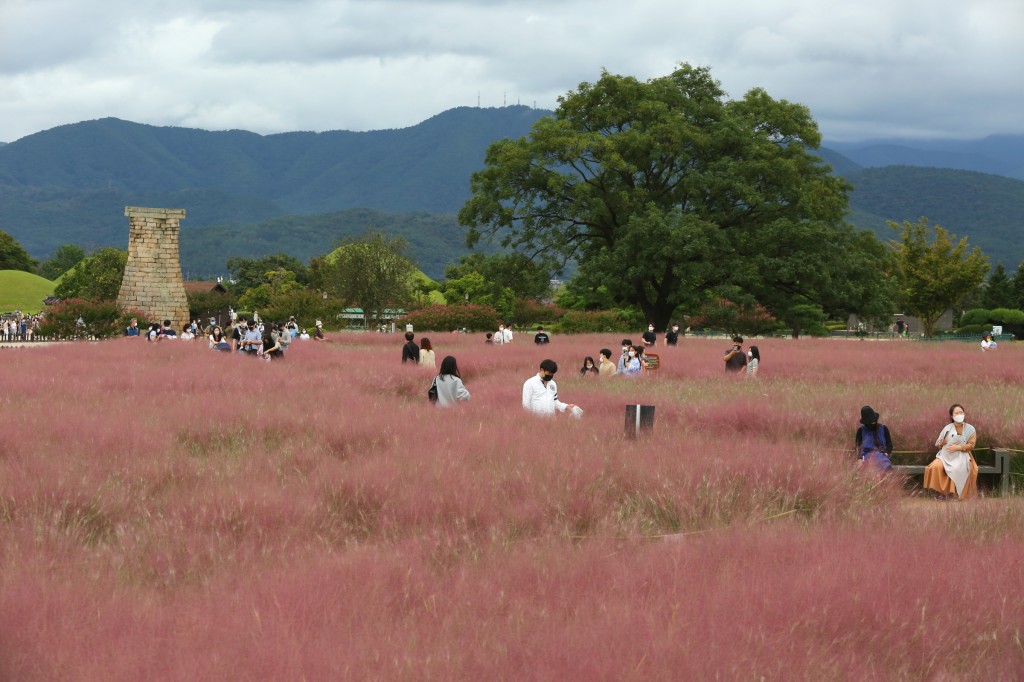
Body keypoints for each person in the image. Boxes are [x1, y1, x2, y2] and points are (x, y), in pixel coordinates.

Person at [924, 404, 978, 500]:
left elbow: (971, 445)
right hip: (945, 455)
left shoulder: (970, 429)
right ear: (952, 416)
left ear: (964, 414)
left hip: (962, 455)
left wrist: (958, 448)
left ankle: (954, 493)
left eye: (961, 412)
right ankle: (941, 492)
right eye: (956, 413)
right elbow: (938, 444)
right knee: (935, 466)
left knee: (957, 468)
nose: (959, 415)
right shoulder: (947, 428)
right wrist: (942, 443)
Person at [855, 406, 893, 470]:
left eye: (874, 421)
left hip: (882, 455)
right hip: (866, 456)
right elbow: (858, 447)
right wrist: (859, 459)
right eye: (871, 423)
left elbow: (889, 445)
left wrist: (886, 453)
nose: (873, 423)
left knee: (882, 461)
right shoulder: (860, 431)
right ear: (866, 423)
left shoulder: (884, 428)